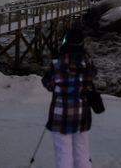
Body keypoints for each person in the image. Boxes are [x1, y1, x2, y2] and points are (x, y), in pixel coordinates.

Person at [42, 27, 98, 168]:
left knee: (63, 153)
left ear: (66, 41)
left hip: (60, 115)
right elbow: (91, 79)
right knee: (82, 151)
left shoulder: (57, 64)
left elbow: (47, 84)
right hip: (82, 114)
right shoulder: (88, 63)